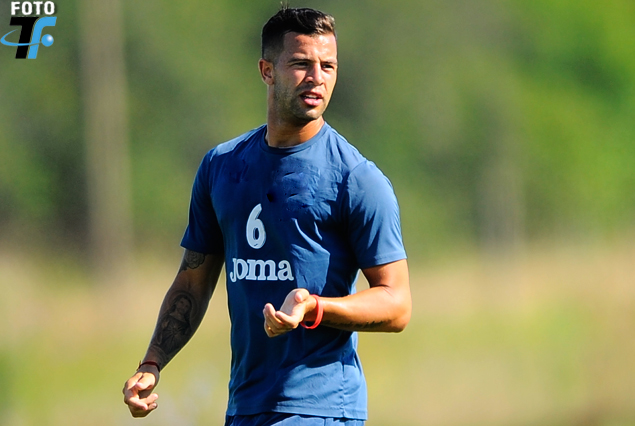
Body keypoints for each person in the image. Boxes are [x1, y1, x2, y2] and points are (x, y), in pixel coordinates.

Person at [123, 6, 411, 426]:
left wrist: (314, 308)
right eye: (301, 63)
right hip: (244, 407)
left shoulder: (357, 179)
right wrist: (152, 362)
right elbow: (192, 283)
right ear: (266, 71)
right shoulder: (221, 167)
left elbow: (397, 304)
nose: (317, 77)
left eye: (328, 65)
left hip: (319, 409)